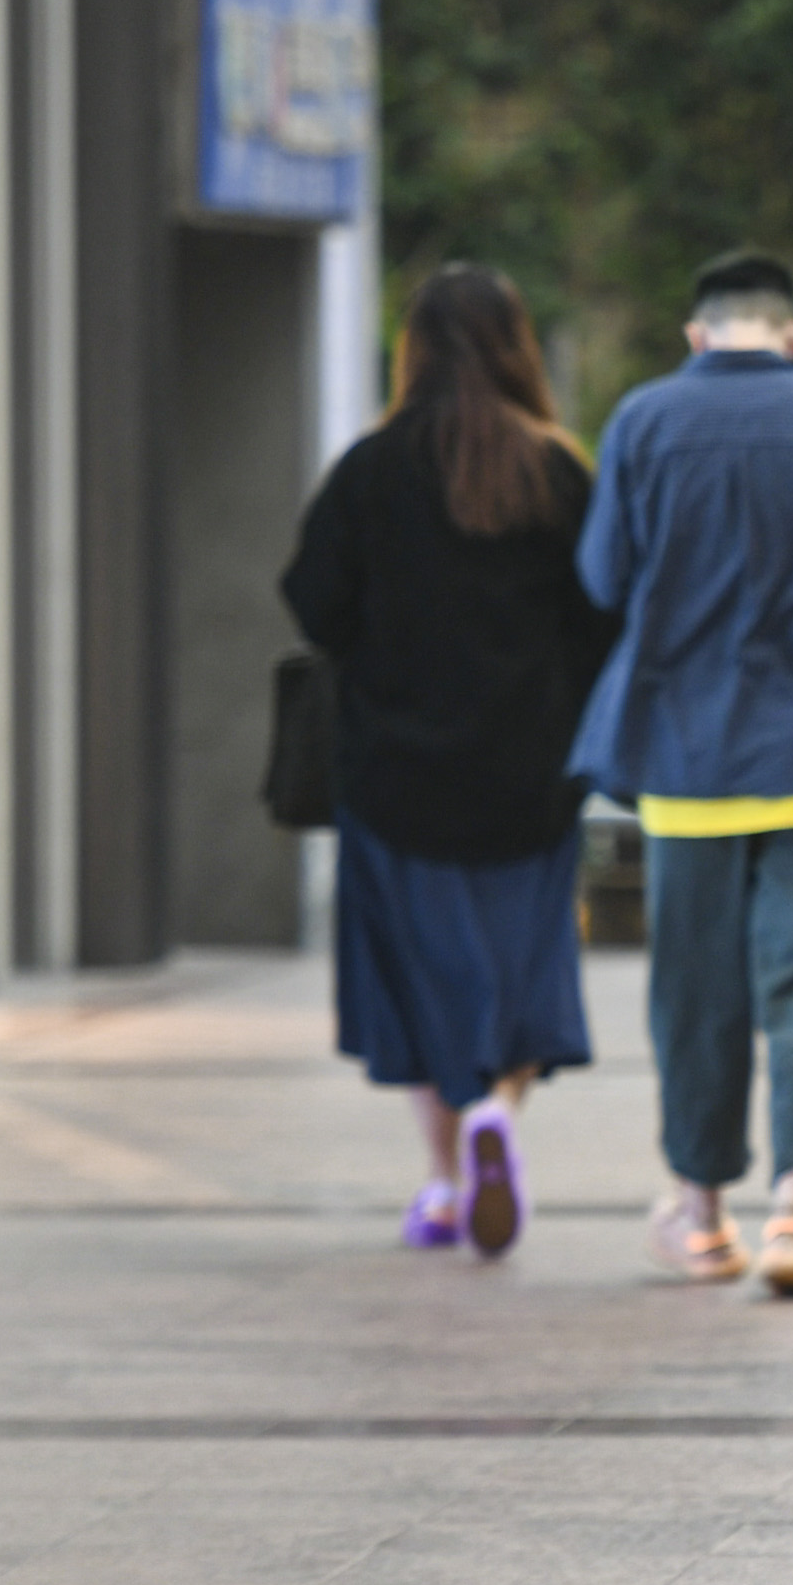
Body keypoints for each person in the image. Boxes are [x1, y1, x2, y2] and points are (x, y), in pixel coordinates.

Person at [574, 250, 793, 1296]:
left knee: (696, 988)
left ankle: (698, 1212)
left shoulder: (643, 421)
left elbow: (602, 578)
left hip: (688, 752)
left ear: (697, 333)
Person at [282, 265, 617, 1257]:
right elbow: (602, 617)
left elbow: (314, 604)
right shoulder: (559, 472)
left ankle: (444, 1172)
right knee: (520, 965)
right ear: (516, 347)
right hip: (532, 772)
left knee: (421, 970)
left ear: (414, 350)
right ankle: (497, 1115)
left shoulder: (371, 470)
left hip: (396, 771)